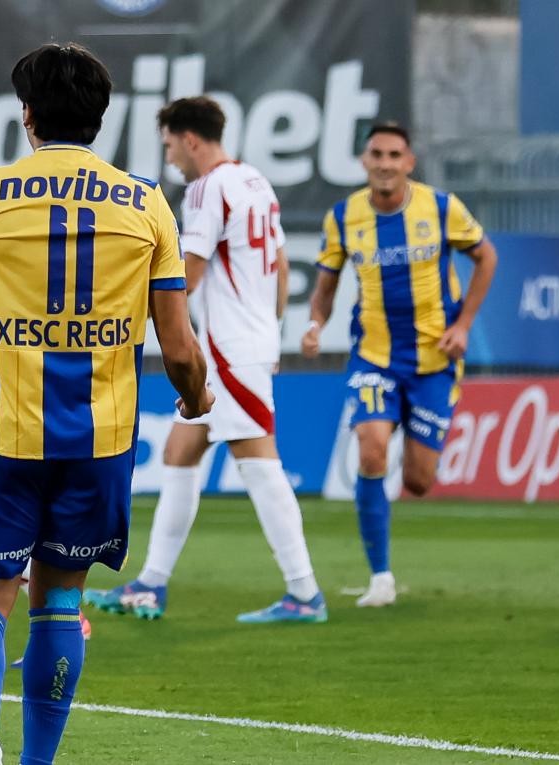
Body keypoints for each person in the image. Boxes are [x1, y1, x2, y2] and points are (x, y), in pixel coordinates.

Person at [0, 44, 212, 765]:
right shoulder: (147, 202)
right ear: (101, 118)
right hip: (100, 441)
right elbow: (179, 347)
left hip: (7, 434)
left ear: (26, 115)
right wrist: (196, 396)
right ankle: (38, 761)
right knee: (59, 600)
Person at [85, 96, 326, 624]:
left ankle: (304, 592)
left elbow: (186, 277)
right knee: (179, 453)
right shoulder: (254, 181)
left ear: (190, 139)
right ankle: (151, 584)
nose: (169, 157)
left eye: (170, 144)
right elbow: (282, 263)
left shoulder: (207, 188)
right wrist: (270, 331)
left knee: (259, 463)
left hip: (228, 349)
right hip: (245, 344)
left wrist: (120, 309)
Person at [302, 122, 497, 607]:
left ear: (409, 162)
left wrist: (464, 325)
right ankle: (381, 578)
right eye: (377, 154)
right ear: (364, 161)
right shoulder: (344, 216)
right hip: (374, 357)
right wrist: (314, 324)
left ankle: (418, 436)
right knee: (371, 451)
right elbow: (325, 287)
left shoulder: (442, 208)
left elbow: (487, 257)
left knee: (418, 481)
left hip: (435, 360)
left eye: (394, 155)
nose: (385, 163)